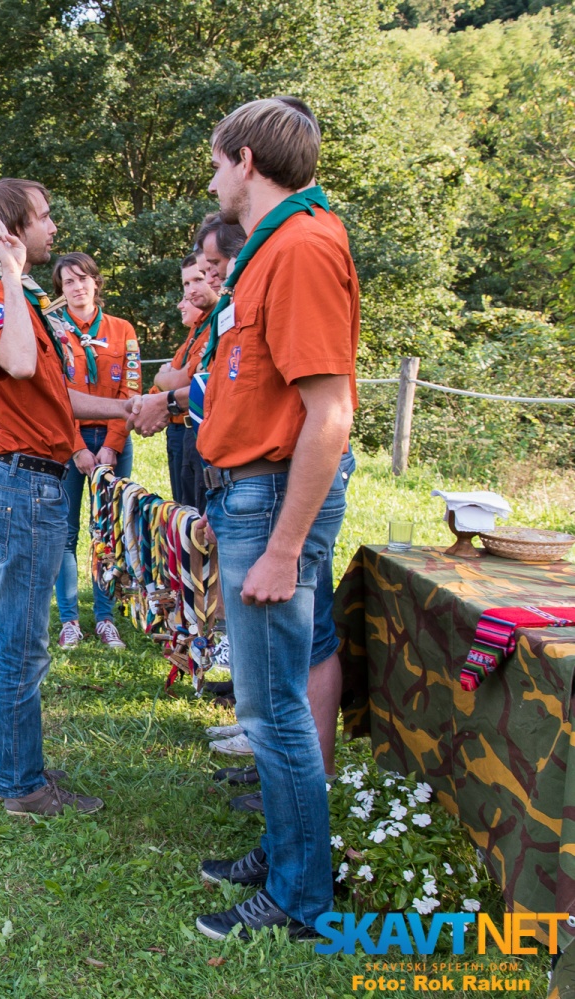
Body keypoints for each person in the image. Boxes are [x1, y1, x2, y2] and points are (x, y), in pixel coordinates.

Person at [184, 97, 358, 942]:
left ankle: (300, 896)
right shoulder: (267, 249)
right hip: (250, 491)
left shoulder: (302, 247)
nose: (214, 178)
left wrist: (285, 548)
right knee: (268, 701)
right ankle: (288, 853)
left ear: (246, 160)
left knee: (272, 708)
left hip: (272, 498)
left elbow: (330, 413)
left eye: (219, 162)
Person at [0, 177, 132, 818]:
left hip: (25, 477)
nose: (54, 228)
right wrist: (11, 274)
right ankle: (22, 786)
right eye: (43, 217)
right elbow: (16, 363)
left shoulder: (21, 297)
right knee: (23, 642)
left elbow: (53, 395)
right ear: (12, 229)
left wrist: (129, 407)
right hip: (25, 482)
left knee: (7, 635)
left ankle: (4, 766)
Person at [50, 252, 139, 650]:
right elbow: (53, 395)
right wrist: (76, 448)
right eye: (68, 282)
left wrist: (112, 445)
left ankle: (106, 618)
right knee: (65, 533)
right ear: (61, 290)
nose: (77, 287)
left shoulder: (122, 329)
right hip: (68, 441)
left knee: (107, 532)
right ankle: (69, 619)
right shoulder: (53, 332)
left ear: (96, 282)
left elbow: (130, 390)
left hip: (113, 442)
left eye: (82, 278)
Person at [150, 253, 218, 507]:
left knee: (200, 511)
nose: (190, 292)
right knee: (186, 511)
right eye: (186, 284)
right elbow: (169, 380)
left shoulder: (217, 323)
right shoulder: (197, 328)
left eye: (199, 279)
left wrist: (163, 376)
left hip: (203, 430)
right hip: (184, 430)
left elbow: (182, 380)